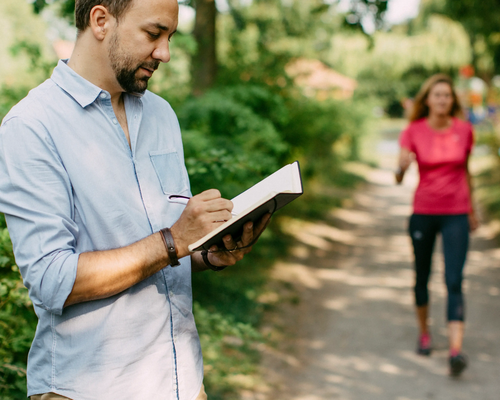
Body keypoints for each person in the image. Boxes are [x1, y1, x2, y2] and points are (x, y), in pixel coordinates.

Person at [0, 0, 270, 399]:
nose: (165, 53)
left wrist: (208, 251)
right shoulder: (32, 127)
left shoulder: (161, 115)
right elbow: (50, 279)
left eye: (170, 37)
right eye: (153, 34)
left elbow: (168, 248)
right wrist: (174, 240)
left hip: (181, 380)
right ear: (100, 20)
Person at [395, 74, 478, 377]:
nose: (442, 99)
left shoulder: (464, 130)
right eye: (437, 95)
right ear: (427, 100)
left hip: (456, 212)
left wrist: (473, 209)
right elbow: (399, 175)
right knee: (422, 276)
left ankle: (456, 350)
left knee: (454, 280)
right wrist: (401, 169)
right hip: (424, 213)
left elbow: (467, 171)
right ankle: (425, 333)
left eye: (447, 95)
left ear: (452, 100)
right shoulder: (413, 131)